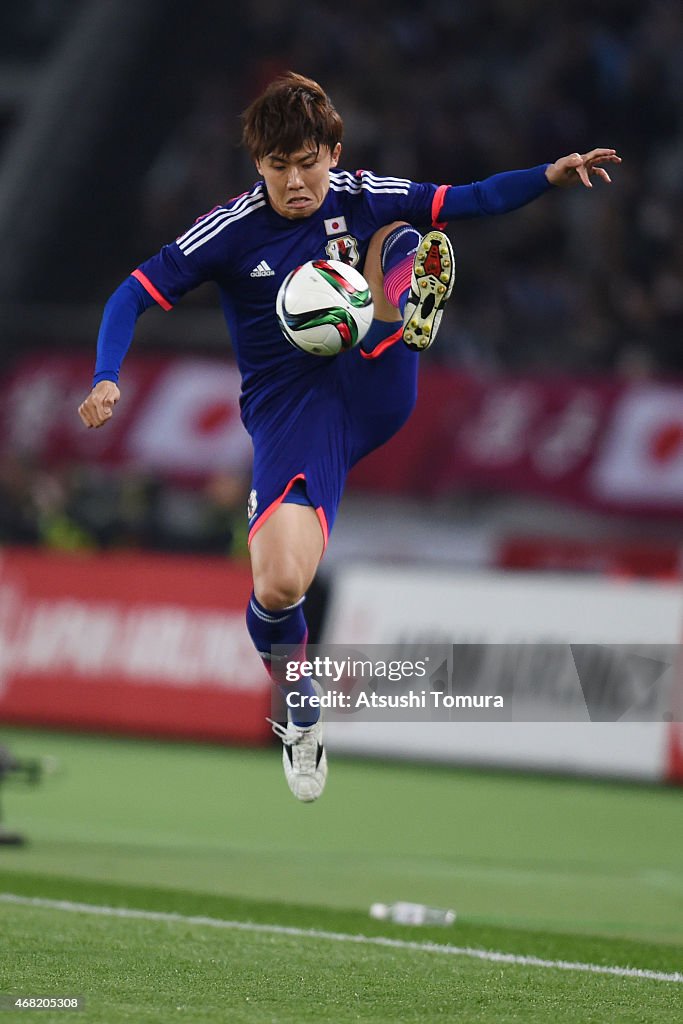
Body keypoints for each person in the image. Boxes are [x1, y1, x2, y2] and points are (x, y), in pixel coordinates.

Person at [78, 72, 620, 803]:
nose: (296, 181)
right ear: (257, 165)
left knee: (405, 233)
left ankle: (403, 312)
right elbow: (132, 293)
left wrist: (548, 177)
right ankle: (297, 699)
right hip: (294, 412)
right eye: (278, 167)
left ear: (333, 151)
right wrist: (108, 374)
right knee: (277, 586)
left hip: (373, 377)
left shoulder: (360, 191)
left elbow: (463, 200)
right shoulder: (231, 229)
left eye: (308, 161)